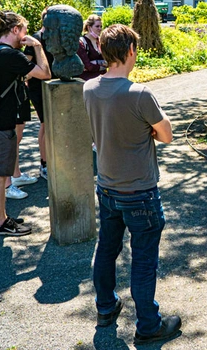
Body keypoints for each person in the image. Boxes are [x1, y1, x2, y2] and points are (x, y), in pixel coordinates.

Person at [83, 24, 181, 344]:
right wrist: (147, 131)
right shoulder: (139, 93)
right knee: (142, 259)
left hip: (107, 187)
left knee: (107, 249)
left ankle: (105, 306)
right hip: (139, 191)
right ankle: (148, 324)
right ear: (129, 52)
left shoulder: (89, 88)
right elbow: (166, 134)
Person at [0, 10, 51, 236]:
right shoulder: (11, 55)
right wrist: (37, 46)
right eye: (24, 31)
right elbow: (45, 73)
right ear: (15, 30)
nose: (26, 35)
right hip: (0, 125)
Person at [24, 8, 55, 180]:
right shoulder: (35, 39)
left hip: (53, 86)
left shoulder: (54, 38)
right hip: (39, 88)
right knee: (45, 124)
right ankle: (44, 164)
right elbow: (25, 67)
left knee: (51, 125)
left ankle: (51, 160)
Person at [77, 14, 106, 81]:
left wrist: (95, 62)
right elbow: (89, 66)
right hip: (88, 81)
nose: (100, 29)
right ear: (89, 27)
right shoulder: (81, 43)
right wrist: (102, 65)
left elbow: (109, 62)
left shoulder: (101, 41)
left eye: (101, 26)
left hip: (103, 79)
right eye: (97, 26)